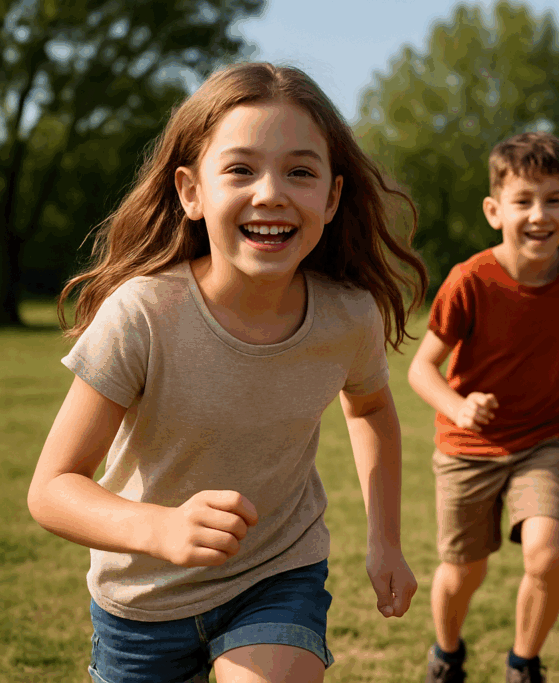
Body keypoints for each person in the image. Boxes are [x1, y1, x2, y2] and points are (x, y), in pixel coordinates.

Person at [27, 63, 427, 683]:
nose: (271, 192)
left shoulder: (349, 316)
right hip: (142, 602)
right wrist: (159, 527)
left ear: (332, 197)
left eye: (300, 171)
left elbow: (370, 407)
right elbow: (52, 488)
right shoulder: (142, 314)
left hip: (277, 571)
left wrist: (386, 540)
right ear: (191, 192)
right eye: (240, 169)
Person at [408, 132, 559, 683]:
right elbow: (420, 369)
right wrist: (458, 407)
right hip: (468, 448)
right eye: (523, 201)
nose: (539, 215)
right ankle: (447, 652)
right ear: (494, 210)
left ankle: (523, 664)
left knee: (548, 553)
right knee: (464, 571)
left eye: (553, 200)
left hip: (548, 438)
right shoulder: (470, 280)